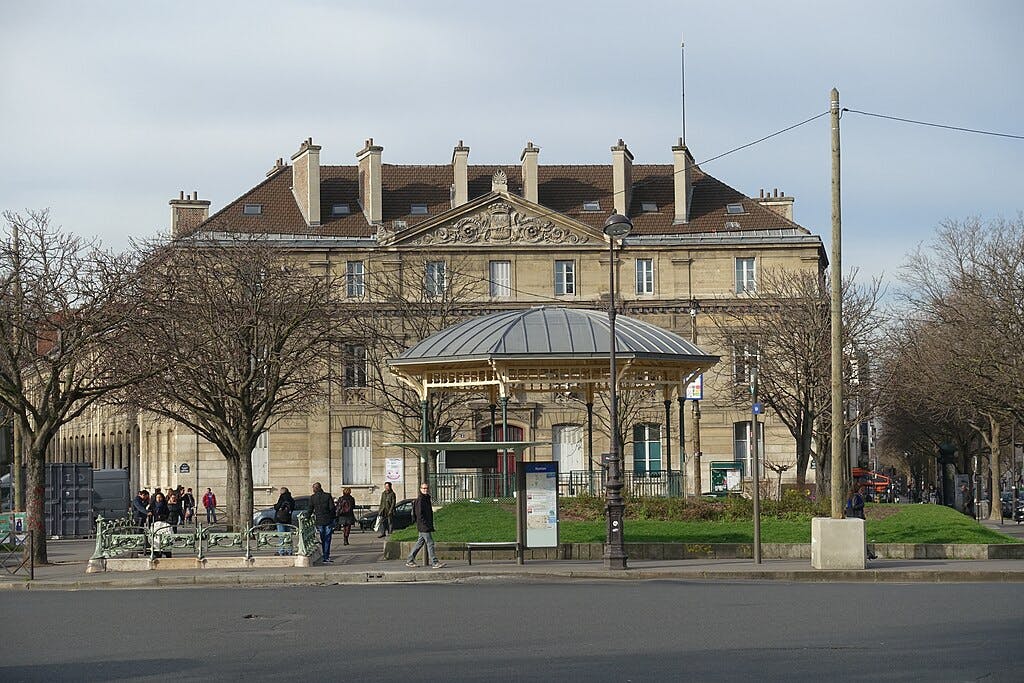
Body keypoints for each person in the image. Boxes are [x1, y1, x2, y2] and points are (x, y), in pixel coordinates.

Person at [405, 482, 446, 569]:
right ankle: (434, 562)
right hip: (424, 526)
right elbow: (419, 514)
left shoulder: (426, 498)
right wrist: (425, 524)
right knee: (430, 543)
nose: (425, 490)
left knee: (419, 543)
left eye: (426, 488)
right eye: (423, 488)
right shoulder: (420, 500)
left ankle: (410, 560)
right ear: (420, 489)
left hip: (425, 525)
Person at [845, 483, 876, 560]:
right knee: (861, 538)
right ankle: (868, 553)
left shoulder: (850, 496)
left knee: (859, 538)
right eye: (860, 489)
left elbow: (848, 507)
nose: (861, 490)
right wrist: (862, 504)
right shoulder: (856, 496)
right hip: (857, 518)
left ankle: (869, 553)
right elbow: (854, 506)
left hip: (852, 518)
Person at [309, 482, 335, 563]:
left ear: (315, 489)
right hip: (328, 520)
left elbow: (310, 509)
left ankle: (324, 555)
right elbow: (332, 508)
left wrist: (307, 516)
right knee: (327, 539)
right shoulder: (327, 496)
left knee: (323, 538)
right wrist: (333, 518)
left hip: (319, 520)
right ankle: (326, 556)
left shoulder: (313, 497)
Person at [274, 487, 295, 556]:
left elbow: (277, 507)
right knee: (288, 535)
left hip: (280, 519)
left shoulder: (282, 498)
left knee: (281, 535)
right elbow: (293, 508)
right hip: (288, 519)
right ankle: (289, 550)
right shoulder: (291, 499)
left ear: (282, 492)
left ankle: (281, 551)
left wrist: (275, 506)